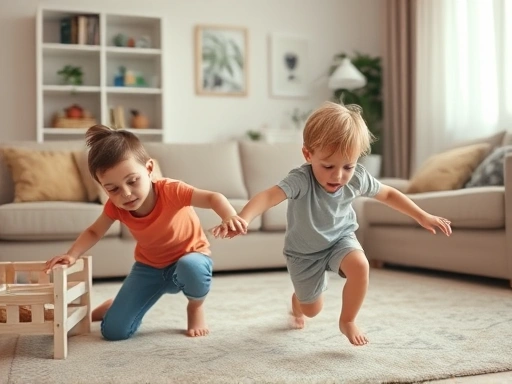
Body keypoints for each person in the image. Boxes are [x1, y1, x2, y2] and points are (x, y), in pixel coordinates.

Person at [211, 102, 452, 346]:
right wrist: (243, 217)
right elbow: (269, 196)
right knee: (312, 309)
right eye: (328, 166)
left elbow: (388, 194)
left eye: (348, 166)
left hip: (340, 239)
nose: (338, 176)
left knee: (360, 266)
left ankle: (347, 320)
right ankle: (297, 305)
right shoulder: (301, 179)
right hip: (304, 253)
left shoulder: (357, 177)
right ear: (308, 155)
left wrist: (422, 215)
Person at [44, 125, 247, 340]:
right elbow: (94, 231)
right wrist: (72, 254)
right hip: (149, 268)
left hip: (190, 259)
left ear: (149, 169)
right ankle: (112, 308)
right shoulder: (115, 208)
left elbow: (213, 197)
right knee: (113, 333)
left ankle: (195, 307)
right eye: (113, 189)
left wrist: (229, 216)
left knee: (191, 266)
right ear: (104, 188)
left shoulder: (171, 190)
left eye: (132, 181)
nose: (127, 194)